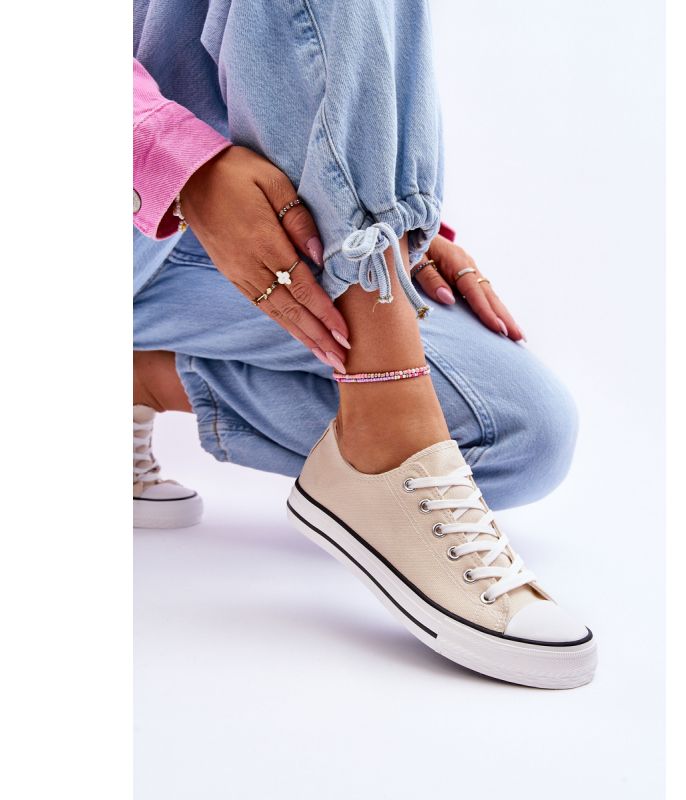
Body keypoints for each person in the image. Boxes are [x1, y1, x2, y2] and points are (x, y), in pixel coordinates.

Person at [133, 0, 597, 688]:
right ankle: (385, 435)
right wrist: (180, 162)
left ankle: (139, 377)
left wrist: (387, 229)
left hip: (197, 220)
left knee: (524, 429)